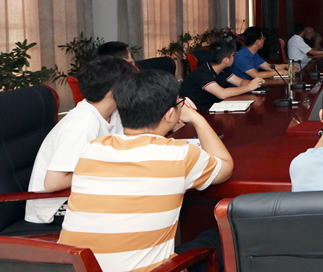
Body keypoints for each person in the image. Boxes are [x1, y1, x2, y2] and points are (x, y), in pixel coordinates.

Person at [58, 70, 233, 272]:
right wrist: (196, 118)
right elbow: (225, 167)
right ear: (170, 114)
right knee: (220, 236)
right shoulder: (180, 154)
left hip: (76, 267)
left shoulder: (93, 148)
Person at [25, 56, 137, 227]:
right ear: (115, 91)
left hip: (86, 192)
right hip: (58, 207)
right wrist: (105, 167)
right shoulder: (82, 125)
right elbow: (53, 183)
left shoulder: (112, 113)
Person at [180, 40, 265, 112]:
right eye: (232, 55)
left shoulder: (223, 69)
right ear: (226, 60)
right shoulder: (202, 73)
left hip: (213, 107)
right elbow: (222, 94)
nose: (234, 57)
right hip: (197, 111)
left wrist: (255, 82)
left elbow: (240, 82)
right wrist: (249, 87)